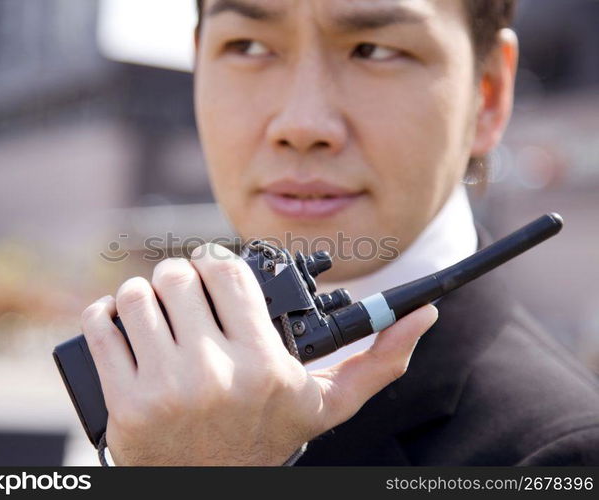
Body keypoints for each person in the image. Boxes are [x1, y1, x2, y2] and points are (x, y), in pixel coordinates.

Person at [81, 0, 599, 465]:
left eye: (374, 50)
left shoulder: (559, 456)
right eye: (248, 45)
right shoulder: (145, 374)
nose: (302, 124)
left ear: (487, 93)